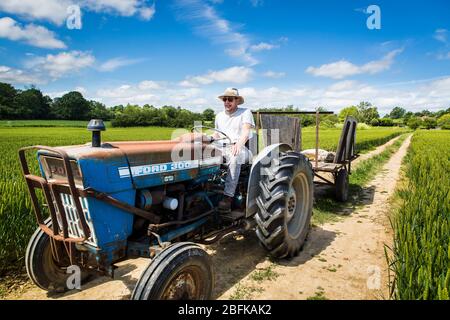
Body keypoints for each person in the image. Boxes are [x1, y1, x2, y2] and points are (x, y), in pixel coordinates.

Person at [214, 88, 255, 211]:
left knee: (234, 157)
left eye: (230, 99)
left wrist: (238, 144)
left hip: (240, 148)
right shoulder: (219, 115)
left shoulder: (245, 112)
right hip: (221, 147)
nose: (227, 102)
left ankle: (228, 197)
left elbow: (246, 132)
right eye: (225, 99)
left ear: (237, 101)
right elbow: (216, 135)